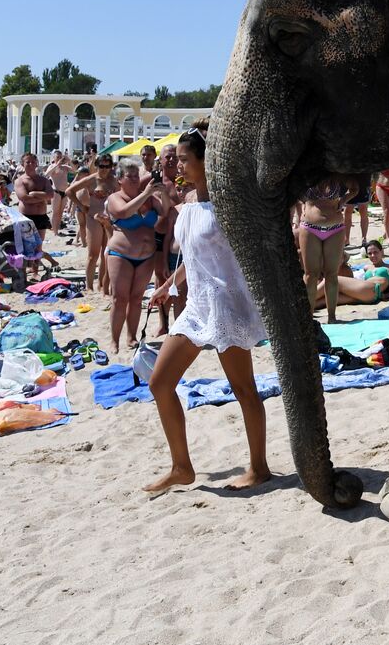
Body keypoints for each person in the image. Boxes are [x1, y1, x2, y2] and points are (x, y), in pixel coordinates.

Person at [146, 122, 270, 492]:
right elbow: (194, 259)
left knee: (244, 390)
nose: (178, 166)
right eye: (177, 160)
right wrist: (168, 286)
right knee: (159, 383)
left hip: (227, 305)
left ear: (206, 160)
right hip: (197, 306)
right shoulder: (188, 204)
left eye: (184, 160)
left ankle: (259, 467)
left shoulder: (230, 203)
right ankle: (181, 467)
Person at [105, 156, 169, 353]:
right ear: (120, 180)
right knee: (119, 298)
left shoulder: (149, 197)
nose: (134, 179)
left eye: (136, 175)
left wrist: (163, 192)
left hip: (146, 256)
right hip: (121, 254)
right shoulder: (115, 198)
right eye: (129, 176)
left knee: (136, 298)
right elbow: (124, 212)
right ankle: (114, 340)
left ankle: (131, 337)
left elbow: (164, 211)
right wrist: (147, 193)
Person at [298, 177, 358, 323]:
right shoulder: (306, 172)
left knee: (331, 274)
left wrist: (344, 200)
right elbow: (291, 189)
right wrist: (303, 203)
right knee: (311, 275)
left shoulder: (336, 174)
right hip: (310, 228)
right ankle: (309, 318)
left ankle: (332, 317)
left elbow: (355, 188)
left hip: (335, 229)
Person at [67, 154, 119, 292]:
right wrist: (82, 207)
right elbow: (69, 191)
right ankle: (89, 286)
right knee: (92, 254)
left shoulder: (114, 181)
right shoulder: (91, 179)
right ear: (96, 165)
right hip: (93, 218)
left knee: (106, 253)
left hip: (108, 219)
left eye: (108, 166)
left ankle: (101, 285)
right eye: (102, 166)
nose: (105, 169)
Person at [310, 239, 389, 311]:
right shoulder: (366, 267)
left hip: (373, 289)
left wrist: (385, 296)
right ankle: (305, 309)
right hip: (365, 294)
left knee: (330, 280)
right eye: (370, 253)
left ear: (382, 252)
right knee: (329, 298)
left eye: (376, 252)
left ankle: (304, 299)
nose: (373, 255)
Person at [153, 143, 185, 334]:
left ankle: (178, 323)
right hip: (160, 236)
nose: (171, 159)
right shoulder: (154, 182)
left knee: (181, 287)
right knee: (161, 279)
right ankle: (163, 323)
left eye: (174, 156)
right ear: (161, 160)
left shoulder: (184, 181)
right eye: (168, 156)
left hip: (179, 238)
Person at [44, 150, 70, 234]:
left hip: (64, 192)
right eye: (57, 157)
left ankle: (57, 229)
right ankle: (55, 231)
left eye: (60, 157)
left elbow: (75, 170)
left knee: (61, 212)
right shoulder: (52, 166)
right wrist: (57, 165)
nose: (59, 159)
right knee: (55, 212)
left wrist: (69, 160)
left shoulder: (65, 167)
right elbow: (46, 174)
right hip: (56, 191)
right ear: (54, 158)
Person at [342, 175, 372, 246]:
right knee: (347, 212)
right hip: (349, 185)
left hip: (363, 184)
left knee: (363, 211)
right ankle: (346, 239)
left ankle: (364, 238)